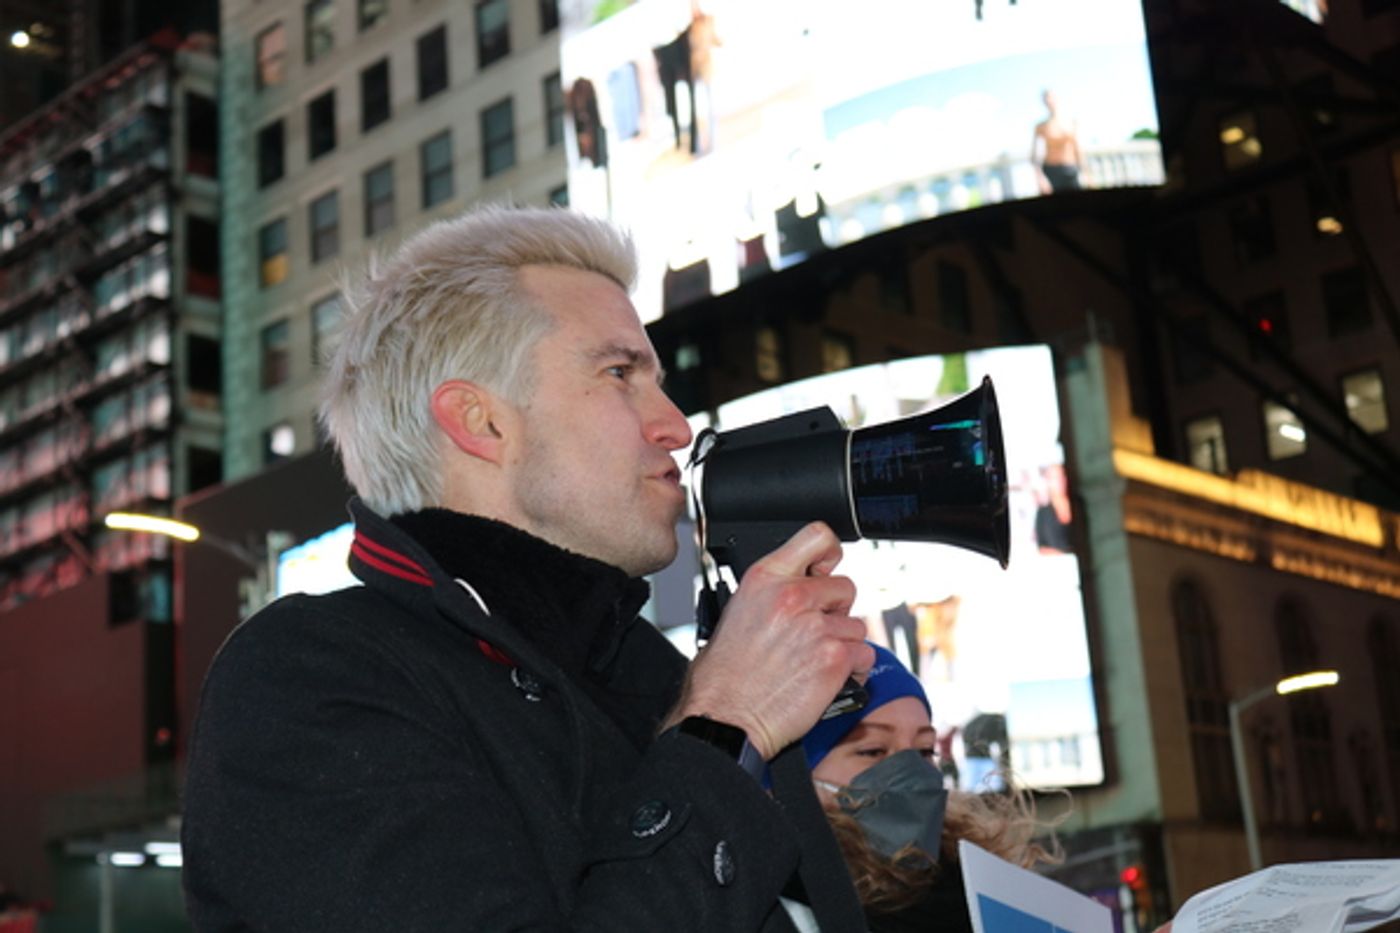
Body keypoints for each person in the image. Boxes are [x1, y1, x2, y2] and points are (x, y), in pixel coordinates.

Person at [180, 206, 875, 931]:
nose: (675, 423)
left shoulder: (646, 675)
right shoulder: (309, 673)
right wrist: (727, 724)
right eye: (620, 373)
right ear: (479, 421)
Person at [786, 645, 1061, 933]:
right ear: (790, 780)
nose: (911, 771)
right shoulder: (769, 912)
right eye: (873, 750)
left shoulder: (986, 900)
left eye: (924, 751)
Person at [1031, 90, 1085, 194]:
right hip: (1051, 172)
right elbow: (1034, 155)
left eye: (1051, 97)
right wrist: (1040, 179)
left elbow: (1078, 149)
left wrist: (1086, 174)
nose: (1049, 101)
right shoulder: (1040, 127)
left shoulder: (1071, 122)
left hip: (1071, 170)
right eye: (1046, 99)